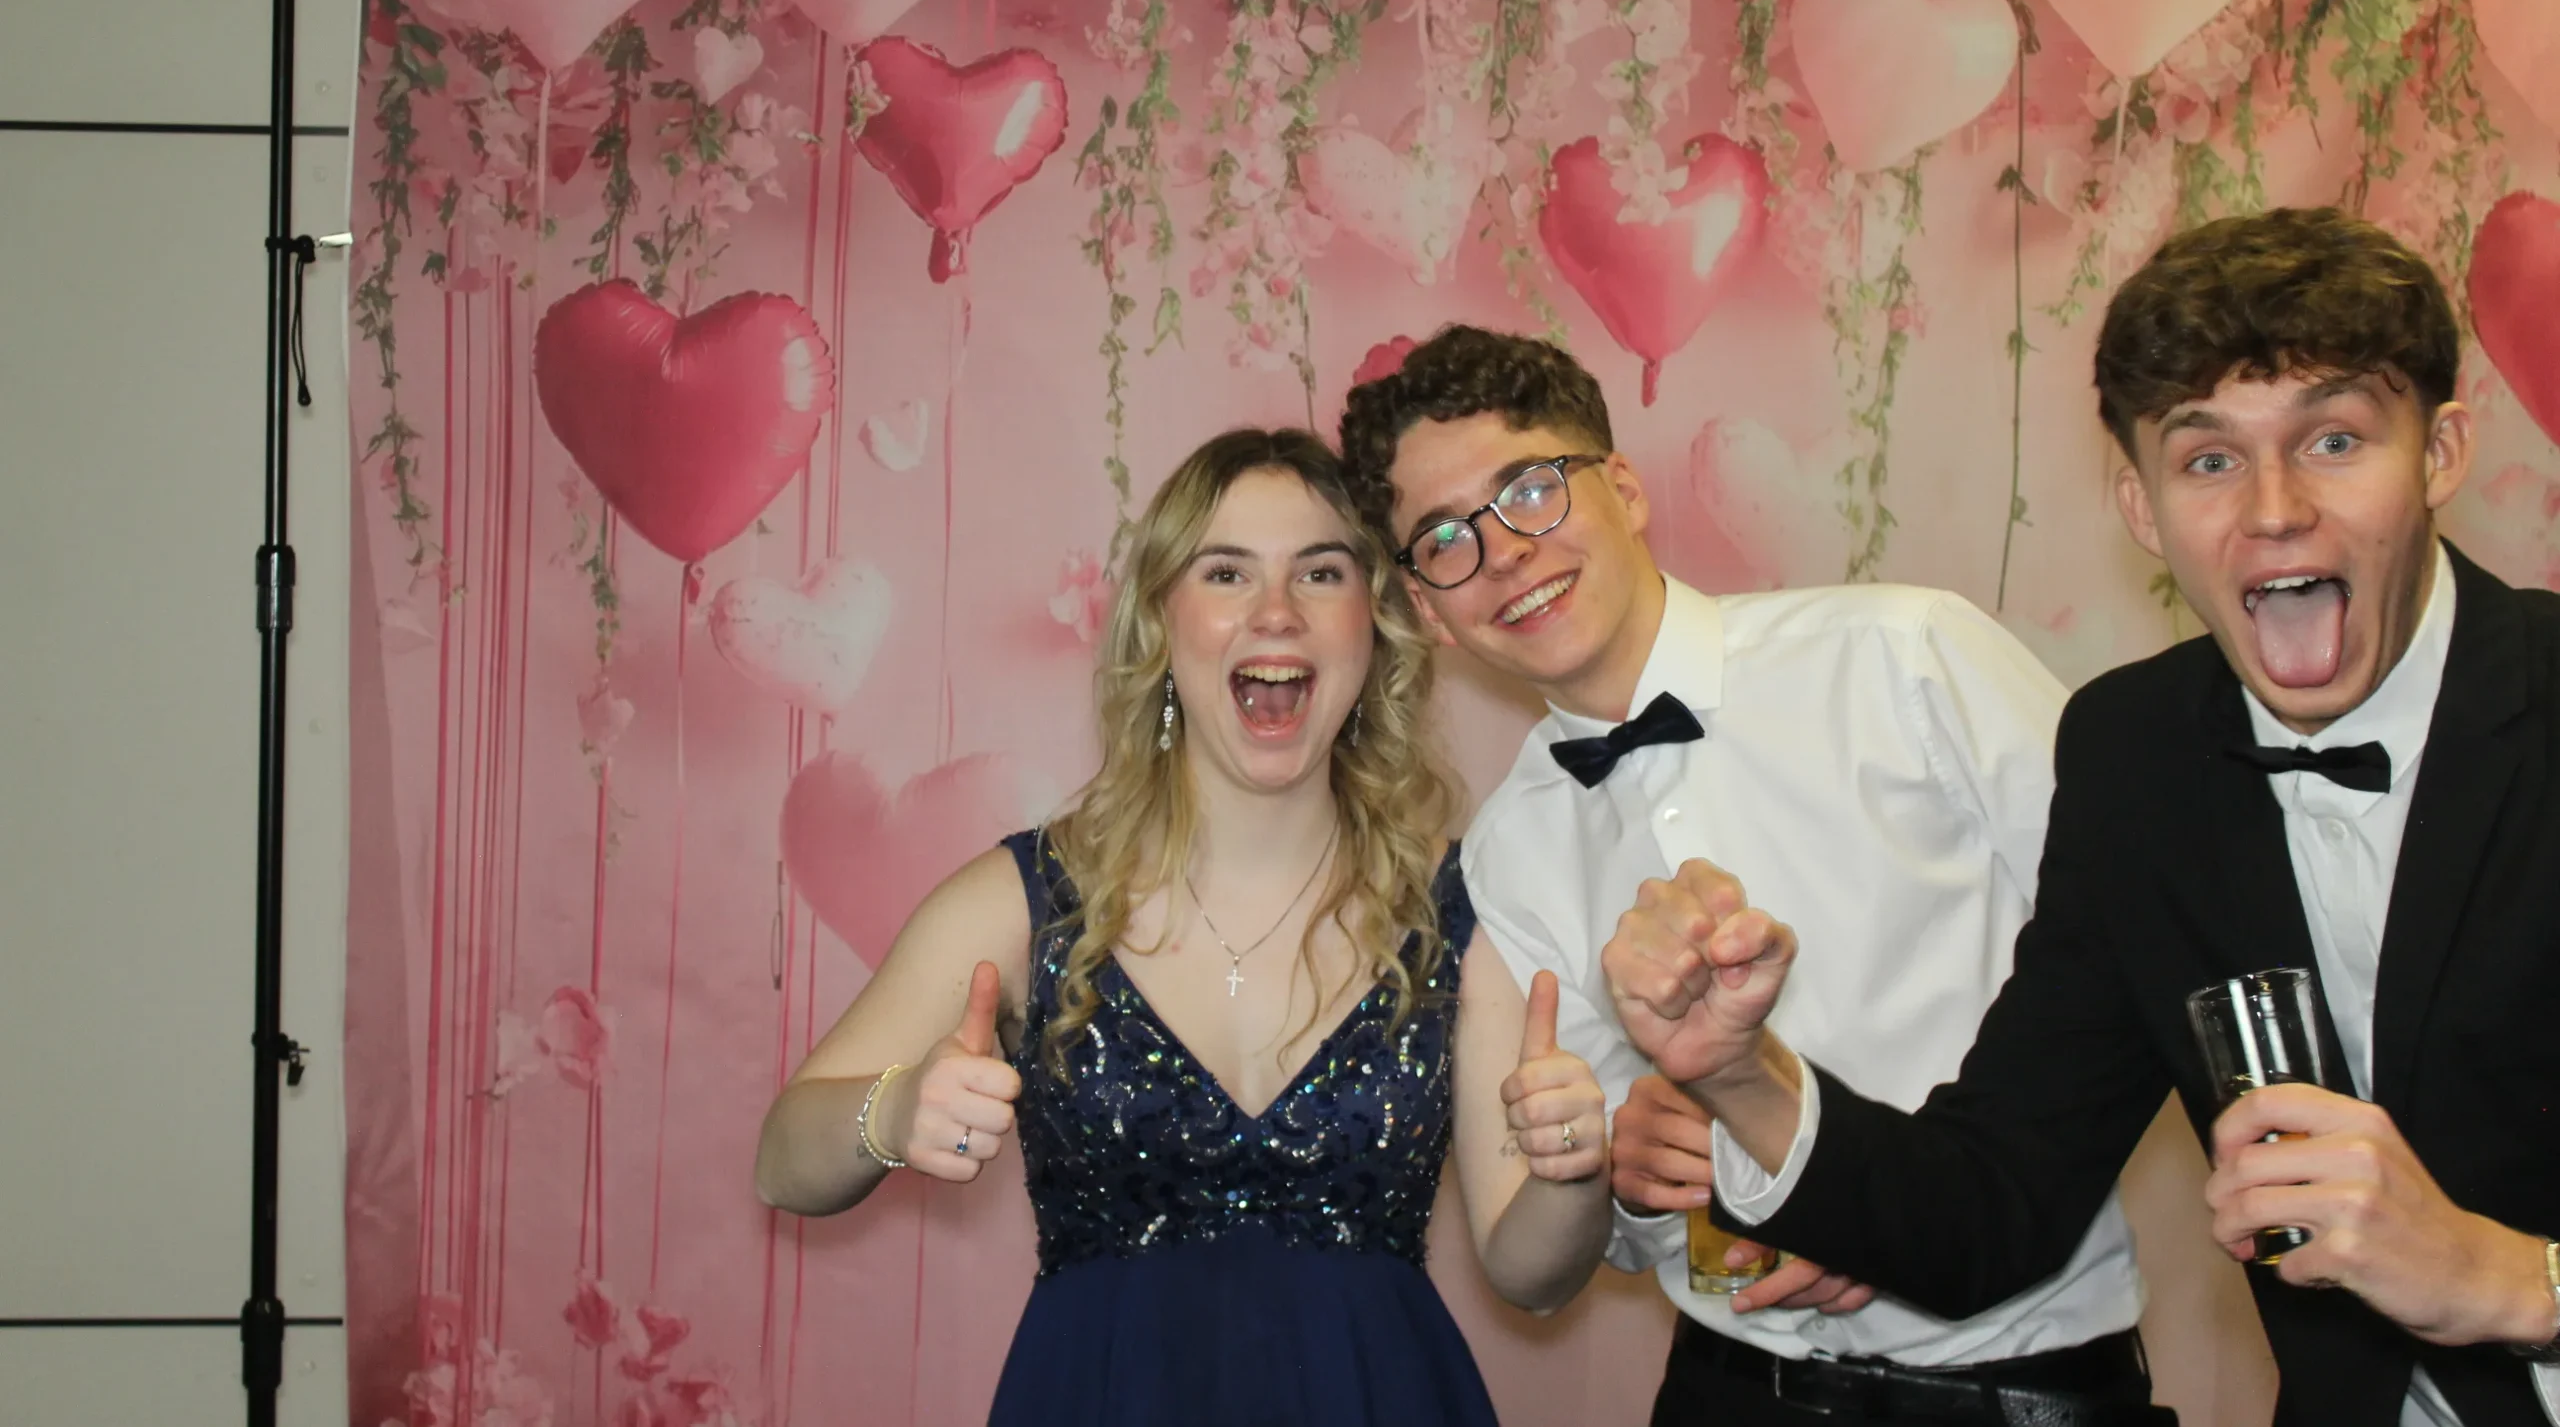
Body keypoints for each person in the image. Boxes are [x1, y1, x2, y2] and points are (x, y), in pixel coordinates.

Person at [1603, 207, 2560, 1427]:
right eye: (2207, 459)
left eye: (2332, 440)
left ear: (2439, 454)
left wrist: (2510, 1280)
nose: (2271, 509)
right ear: (2140, 506)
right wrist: (1743, 1073)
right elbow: (1997, 1203)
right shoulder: (2135, 750)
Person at [1337, 328, 2164, 1426]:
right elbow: (1598, 1219)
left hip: (2021, 1388)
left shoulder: (1904, 656)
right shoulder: (1508, 849)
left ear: (1624, 487)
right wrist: (1631, 1174)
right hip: (1728, 1391)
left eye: (1531, 490)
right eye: (1446, 538)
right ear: (1426, 607)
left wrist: (1892, 1204)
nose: (1504, 553)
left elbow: (2143, 946)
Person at [755, 426, 1615, 1427]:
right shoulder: (1025, 899)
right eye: (1226, 573)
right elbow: (782, 1160)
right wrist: (895, 1110)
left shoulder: (1461, 909)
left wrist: (1573, 1167)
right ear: (1160, 623)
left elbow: (1532, 1275)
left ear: (1372, 624)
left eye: (1321, 572)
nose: (1277, 611)